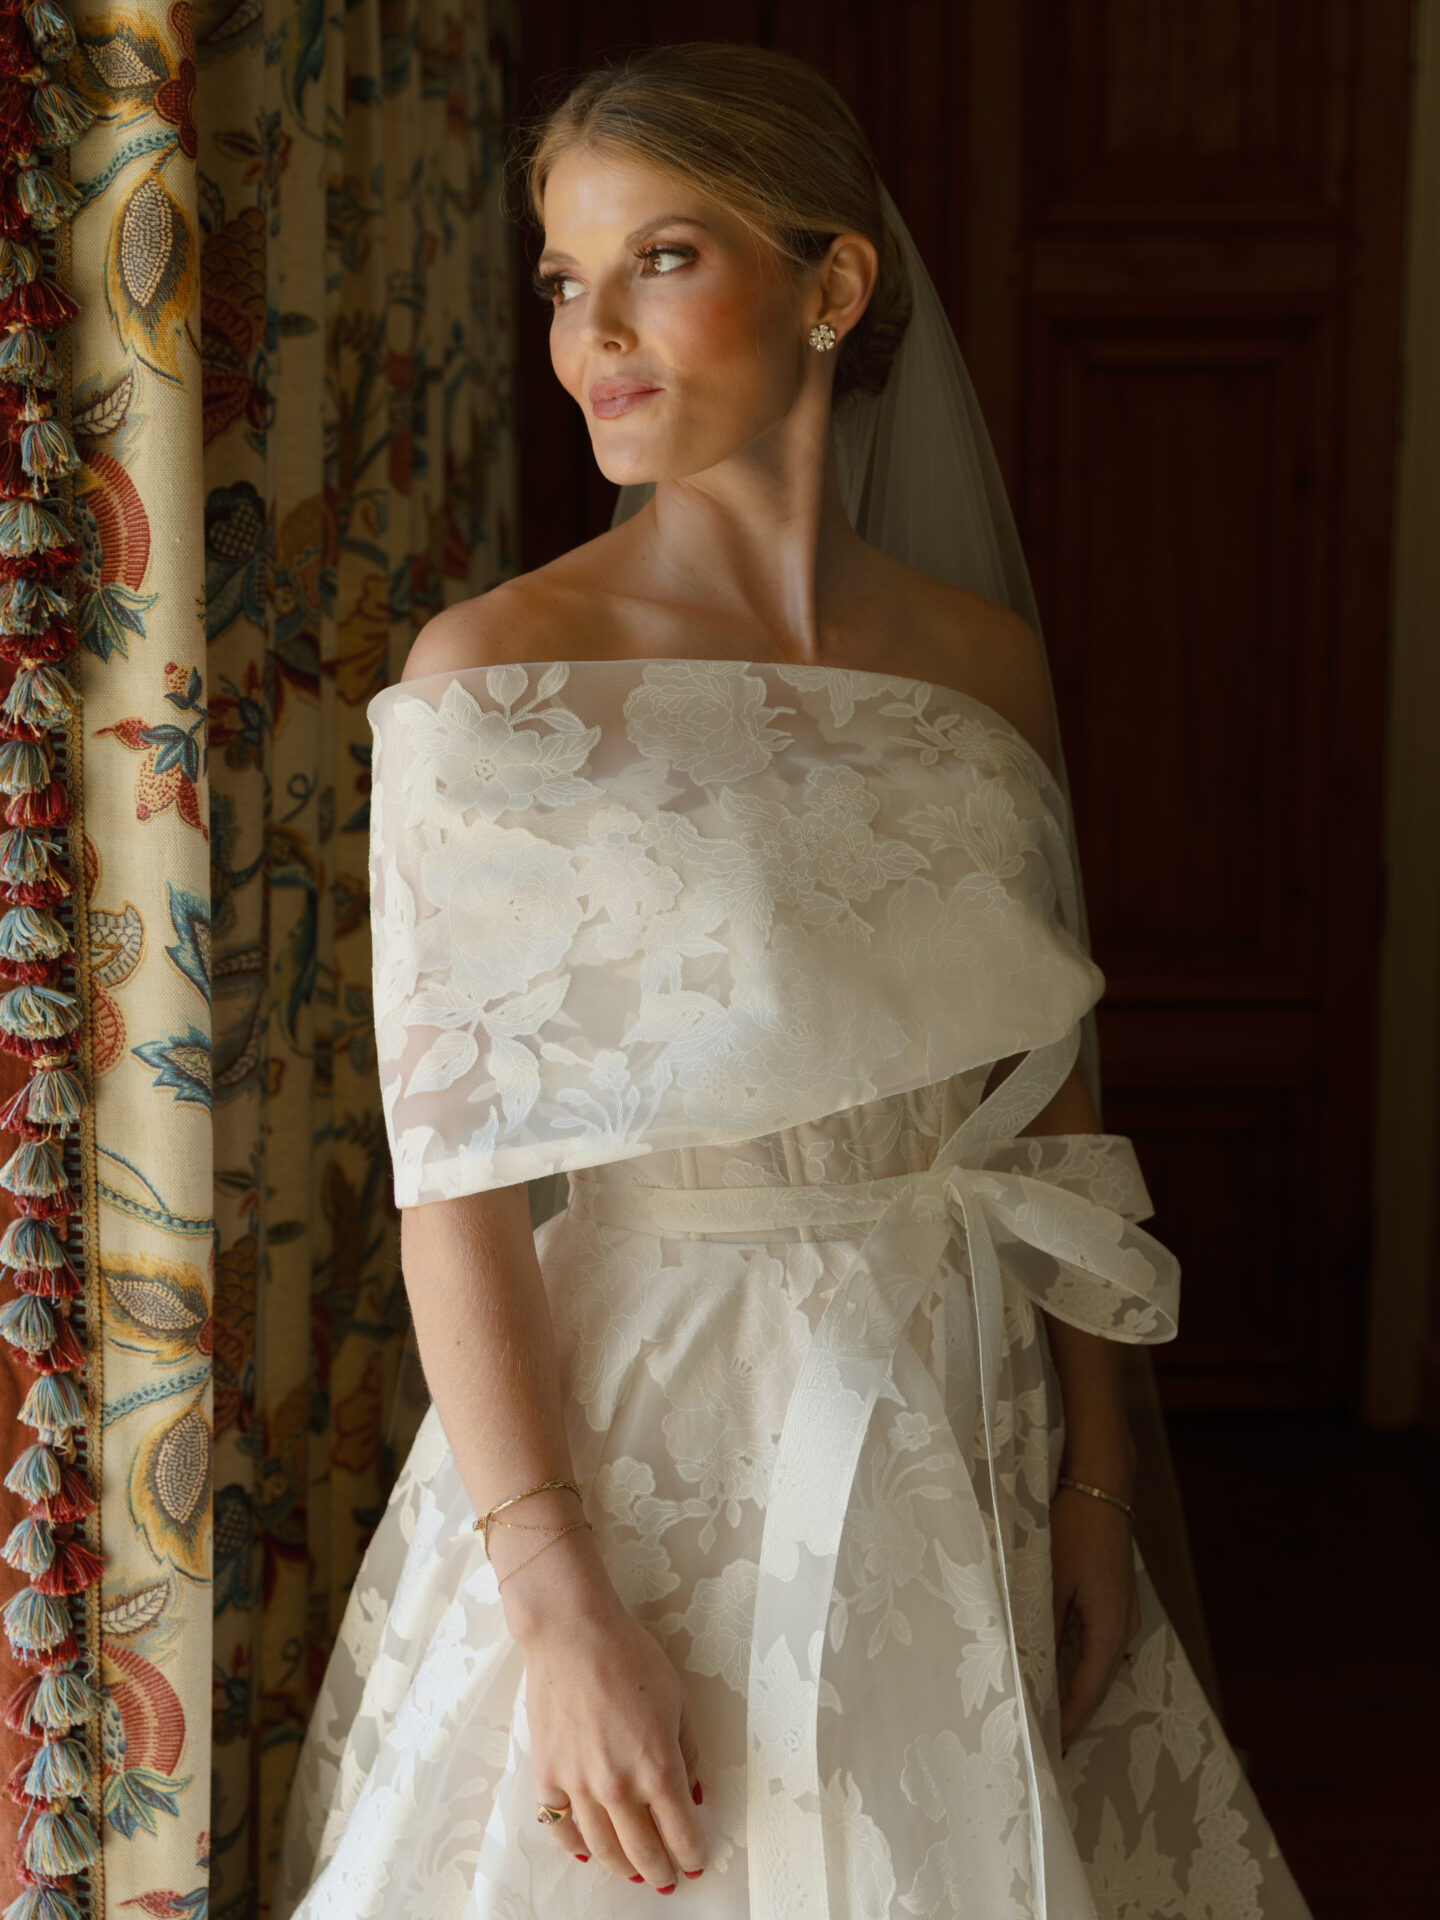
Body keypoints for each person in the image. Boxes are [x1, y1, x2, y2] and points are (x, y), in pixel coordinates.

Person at [275, 43, 1313, 1920]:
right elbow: (458, 1192)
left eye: (659, 258)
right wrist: (560, 1604)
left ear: (832, 288)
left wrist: (1092, 1483)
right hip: (665, 1421)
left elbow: (1045, 1103)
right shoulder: (493, 684)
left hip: (960, 1401)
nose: (592, 331)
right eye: (562, 282)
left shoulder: (977, 665)